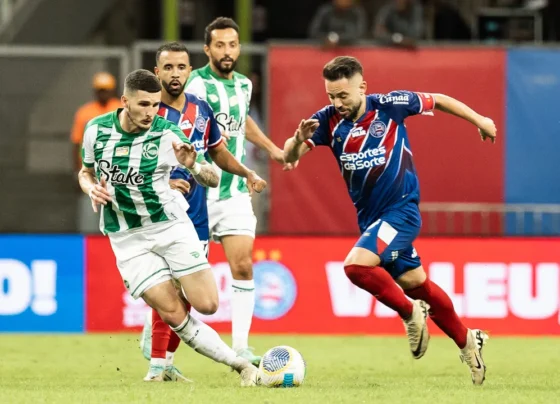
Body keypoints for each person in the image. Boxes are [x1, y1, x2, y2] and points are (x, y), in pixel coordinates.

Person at [283, 56, 496, 385]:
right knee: (417, 285)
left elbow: (439, 99)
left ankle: (411, 313)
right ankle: (468, 340)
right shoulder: (326, 121)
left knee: (355, 267)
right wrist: (298, 139)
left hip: (402, 211)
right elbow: (288, 157)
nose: (337, 103)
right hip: (373, 221)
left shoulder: (390, 105)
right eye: (331, 96)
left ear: (362, 87)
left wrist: (480, 120)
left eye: (343, 95)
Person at [78, 69, 258, 386]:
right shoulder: (96, 130)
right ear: (125, 102)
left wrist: (193, 165)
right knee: (174, 313)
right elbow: (85, 172)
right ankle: (241, 366)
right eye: (143, 105)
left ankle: (165, 335)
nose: (151, 112)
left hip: (170, 227)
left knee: (208, 305)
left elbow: (212, 178)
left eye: (154, 104)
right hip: (127, 238)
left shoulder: (168, 134)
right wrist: (91, 188)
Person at [139, 41, 267, 381]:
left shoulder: (201, 109)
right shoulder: (147, 114)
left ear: (189, 71)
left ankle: (164, 360)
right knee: (170, 288)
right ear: (157, 72)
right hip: (157, 216)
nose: (175, 73)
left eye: (181, 67)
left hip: (196, 215)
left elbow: (218, 152)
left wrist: (246, 172)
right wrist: (162, 181)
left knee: (191, 295)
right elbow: (132, 162)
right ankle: (157, 366)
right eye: (168, 67)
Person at [185, 17, 294, 364]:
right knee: (183, 276)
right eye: (220, 45)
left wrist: (274, 150)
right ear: (207, 49)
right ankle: (159, 349)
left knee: (244, 265)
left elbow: (243, 120)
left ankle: (242, 347)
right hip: (198, 192)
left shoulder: (244, 85)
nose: (227, 51)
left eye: (232, 45)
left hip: (233, 192)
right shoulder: (196, 84)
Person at [70, 72, 122, 233]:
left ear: (113, 90)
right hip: (91, 171)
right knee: (89, 215)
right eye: (100, 90)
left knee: (118, 215)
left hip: (117, 172)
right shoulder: (84, 112)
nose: (103, 93)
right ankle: (90, 240)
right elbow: (76, 143)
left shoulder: (120, 108)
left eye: (106, 89)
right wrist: (77, 172)